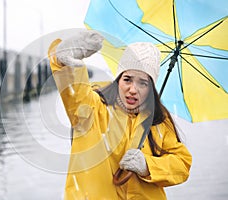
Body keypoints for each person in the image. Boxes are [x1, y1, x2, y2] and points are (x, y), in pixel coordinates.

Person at [48, 30, 192, 200]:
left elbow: (182, 163)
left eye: (143, 83)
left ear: (151, 88)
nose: (133, 89)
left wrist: (147, 166)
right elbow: (75, 95)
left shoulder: (159, 121)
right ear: (118, 79)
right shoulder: (94, 108)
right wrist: (64, 61)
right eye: (127, 79)